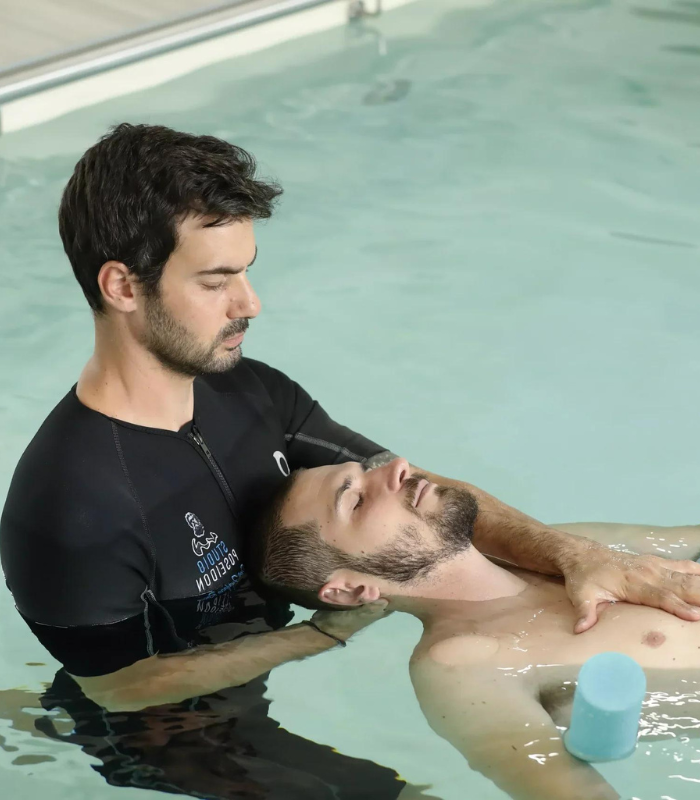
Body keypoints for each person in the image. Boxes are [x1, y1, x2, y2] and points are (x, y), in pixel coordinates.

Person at [1, 123, 700, 798]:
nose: (251, 303)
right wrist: (317, 637)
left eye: (246, 272)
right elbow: (120, 685)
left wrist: (574, 555)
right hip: (182, 719)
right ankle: (49, 723)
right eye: (216, 281)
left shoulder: (250, 390)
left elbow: (417, 483)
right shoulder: (71, 505)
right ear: (122, 286)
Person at [252, 457, 700, 800]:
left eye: (368, 470)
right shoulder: (461, 663)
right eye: (357, 499)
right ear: (351, 591)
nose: (398, 468)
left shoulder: (567, 546)